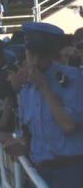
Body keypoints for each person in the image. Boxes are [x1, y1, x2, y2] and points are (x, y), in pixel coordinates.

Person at [10, 22, 83, 188]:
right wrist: (20, 146)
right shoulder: (27, 88)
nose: (34, 61)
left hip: (70, 170)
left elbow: (68, 125)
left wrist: (44, 87)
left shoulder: (71, 78)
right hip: (40, 169)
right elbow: (31, 131)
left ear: (50, 55)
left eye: (40, 56)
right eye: (30, 54)